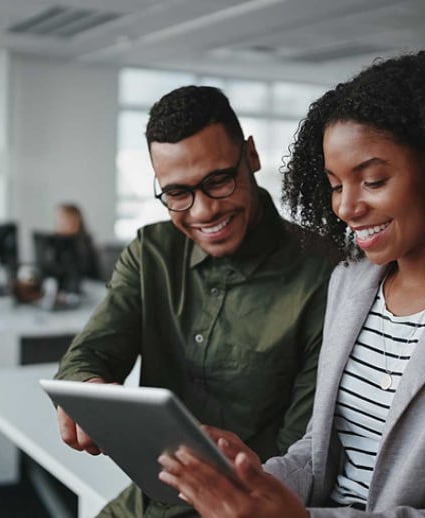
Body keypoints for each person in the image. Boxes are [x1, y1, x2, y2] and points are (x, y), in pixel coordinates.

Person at [157, 47, 425, 517]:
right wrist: (252, 483)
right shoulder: (350, 282)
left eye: (373, 181)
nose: (345, 207)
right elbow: (320, 452)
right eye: (336, 185)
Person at [54, 85, 335, 517]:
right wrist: (86, 390)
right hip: (148, 497)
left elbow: (303, 457)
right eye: (177, 193)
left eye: (218, 181)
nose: (203, 211)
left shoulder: (325, 276)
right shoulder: (150, 252)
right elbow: (87, 355)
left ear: (251, 156)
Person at [54, 202, 102, 280]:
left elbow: (80, 272)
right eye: (58, 220)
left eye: (63, 219)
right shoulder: (53, 243)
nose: (60, 224)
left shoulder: (84, 244)